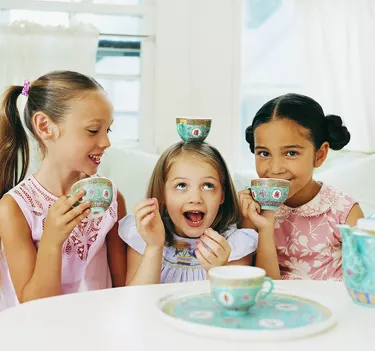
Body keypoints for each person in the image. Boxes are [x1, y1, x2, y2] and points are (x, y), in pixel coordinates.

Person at [0, 71, 126, 311]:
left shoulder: (112, 199)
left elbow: (122, 290)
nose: (106, 142)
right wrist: (52, 240)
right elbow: (34, 307)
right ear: (45, 126)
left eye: (107, 130)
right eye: (92, 130)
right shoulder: (14, 208)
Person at [239, 93, 364, 281]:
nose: (275, 169)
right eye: (264, 153)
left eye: (290, 153)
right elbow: (258, 287)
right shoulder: (251, 210)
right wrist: (265, 226)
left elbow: (365, 282)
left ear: (319, 155)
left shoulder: (345, 213)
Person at [119, 141, 258, 284]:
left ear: (222, 195)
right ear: (162, 193)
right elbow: (137, 301)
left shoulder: (235, 245)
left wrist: (218, 271)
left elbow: (227, 304)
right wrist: (154, 247)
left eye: (208, 186)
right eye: (181, 185)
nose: (195, 198)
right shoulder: (144, 236)